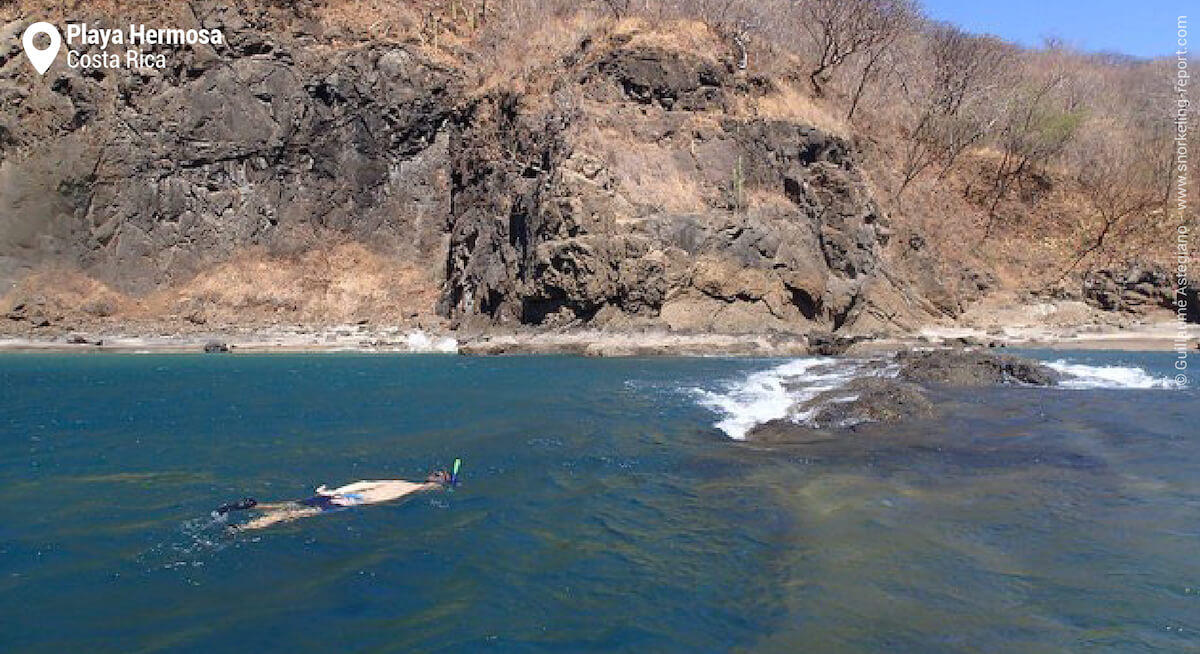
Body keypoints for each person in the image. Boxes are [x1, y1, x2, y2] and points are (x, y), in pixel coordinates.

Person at [218, 470, 451, 531]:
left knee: (294, 505)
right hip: (350, 501)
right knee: (294, 513)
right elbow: (364, 484)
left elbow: (363, 481)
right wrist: (446, 486)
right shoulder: (414, 488)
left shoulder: (403, 483)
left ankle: (255, 506)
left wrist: (333, 490)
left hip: (342, 495)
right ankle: (243, 527)